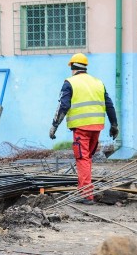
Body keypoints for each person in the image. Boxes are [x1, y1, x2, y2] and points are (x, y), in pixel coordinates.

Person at [49, 53, 119, 204]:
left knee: (82, 159)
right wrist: (114, 125)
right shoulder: (98, 82)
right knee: (86, 159)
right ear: (85, 67)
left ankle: (86, 195)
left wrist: (54, 125)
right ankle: (83, 189)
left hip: (81, 128)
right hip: (97, 128)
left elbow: (63, 105)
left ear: (72, 67)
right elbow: (109, 104)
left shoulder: (70, 82)